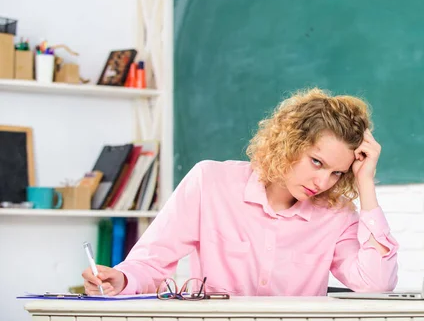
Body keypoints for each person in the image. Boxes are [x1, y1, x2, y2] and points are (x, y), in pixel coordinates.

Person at [82, 88, 399, 296]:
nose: (322, 181)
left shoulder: (336, 212)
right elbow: (151, 262)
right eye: (316, 161)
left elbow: (376, 285)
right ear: (289, 143)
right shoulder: (210, 182)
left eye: (336, 173)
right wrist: (121, 280)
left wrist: (365, 185)